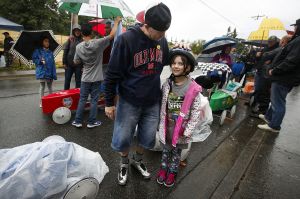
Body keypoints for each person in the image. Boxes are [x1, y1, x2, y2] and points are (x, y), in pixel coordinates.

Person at [104, 2, 172, 186]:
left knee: (148, 137)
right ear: (146, 25)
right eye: (159, 32)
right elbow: (112, 74)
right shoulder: (126, 40)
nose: (162, 36)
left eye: (165, 31)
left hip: (152, 100)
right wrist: (109, 102)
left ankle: (137, 160)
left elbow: (168, 59)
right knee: (123, 137)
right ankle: (124, 162)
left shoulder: (161, 40)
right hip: (129, 100)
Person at [156, 48, 212, 187]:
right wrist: (160, 123)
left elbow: (195, 112)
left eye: (180, 64)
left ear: (188, 67)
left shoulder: (193, 88)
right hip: (167, 126)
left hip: (181, 128)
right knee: (166, 150)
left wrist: (188, 130)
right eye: (174, 63)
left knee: (176, 153)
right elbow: (162, 105)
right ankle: (163, 169)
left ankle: (172, 171)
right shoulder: (167, 85)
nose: (176, 66)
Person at [72, 17, 122, 129]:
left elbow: (76, 61)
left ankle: (78, 121)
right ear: (91, 32)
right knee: (94, 100)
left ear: (82, 33)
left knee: (83, 99)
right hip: (97, 78)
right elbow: (112, 35)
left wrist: (84, 61)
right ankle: (91, 122)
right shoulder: (98, 43)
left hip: (85, 77)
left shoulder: (78, 46)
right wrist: (117, 22)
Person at [258, 19, 300, 132]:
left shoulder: (298, 41)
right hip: (284, 77)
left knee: (278, 102)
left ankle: (274, 126)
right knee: (275, 99)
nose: (294, 28)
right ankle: (269, 117)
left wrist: (275, 70)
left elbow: (291, 61)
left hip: (284, 77)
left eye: (296, 26)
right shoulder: (296, 40)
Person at [251, 36, 279, 115]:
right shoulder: (265, 48)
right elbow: (258, 59)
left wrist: (270, 62)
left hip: (266, 73)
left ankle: (262, 110)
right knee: (257, 88)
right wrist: (257, 56)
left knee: (264, 91)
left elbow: (276, 61)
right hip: (259, 70)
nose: (269, 43)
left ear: (275, 42)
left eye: (271, 42)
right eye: (268, 41)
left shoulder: (277, 49)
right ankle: (254, 102)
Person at [32, 36, 57, 108]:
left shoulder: (50, 52)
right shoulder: (38, 51)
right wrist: (40, 61)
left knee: (50, 87)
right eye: (45, 41)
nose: (47, 43)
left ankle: (51, 100)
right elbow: (34, 59)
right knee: (42, 87)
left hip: (49, 72)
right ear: (42, 42)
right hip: (42, 72)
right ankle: (41, 102)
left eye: (48, 41)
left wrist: (54, 73)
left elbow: (53, 64)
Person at [63, 24, 83, 90]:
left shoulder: (82, 40)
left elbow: (84, 54)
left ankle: (77, 96)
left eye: (78, 30)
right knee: (67, 80)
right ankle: (65, 95)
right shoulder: (70, 39)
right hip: (69, 64)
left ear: (80, 31)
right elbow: (65, 51)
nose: (77, 32)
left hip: (78, 65)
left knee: (78, 82)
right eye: (76, 30)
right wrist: (64, 63)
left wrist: (83, 66)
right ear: (73, 31)